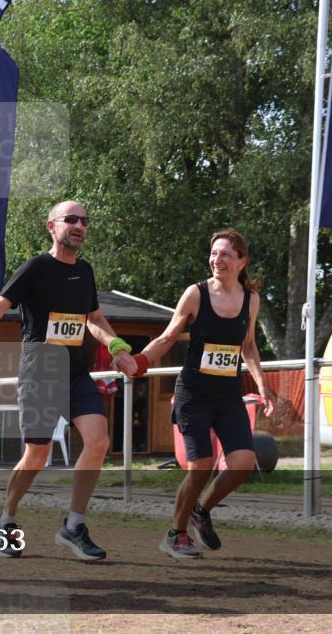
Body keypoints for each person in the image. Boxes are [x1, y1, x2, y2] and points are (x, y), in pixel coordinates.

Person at [0, 200, 137, 562]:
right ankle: (6, 520)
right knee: (37, 455)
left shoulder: (84, 272)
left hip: (75, 374)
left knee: (98, 442)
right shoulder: (36, 268)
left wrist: (118, 346)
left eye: (84, 221)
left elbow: (94, 317)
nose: (79, 226)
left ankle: (73, 525)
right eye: (70, 220)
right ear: (50, 226)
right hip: (40, 374)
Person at [134, 228, 276, 559]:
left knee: (242, 463)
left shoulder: (250, 300)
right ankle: (175, 534)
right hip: (194, 395)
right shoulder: (196, 294)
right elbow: (168, 337)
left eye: (225, 254)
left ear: (242, 260)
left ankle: (201, 510)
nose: (217, 259)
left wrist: (263, 386)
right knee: (201, 466)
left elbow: (249, 347)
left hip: (228, 396)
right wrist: (140, 360)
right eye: (214, 253)